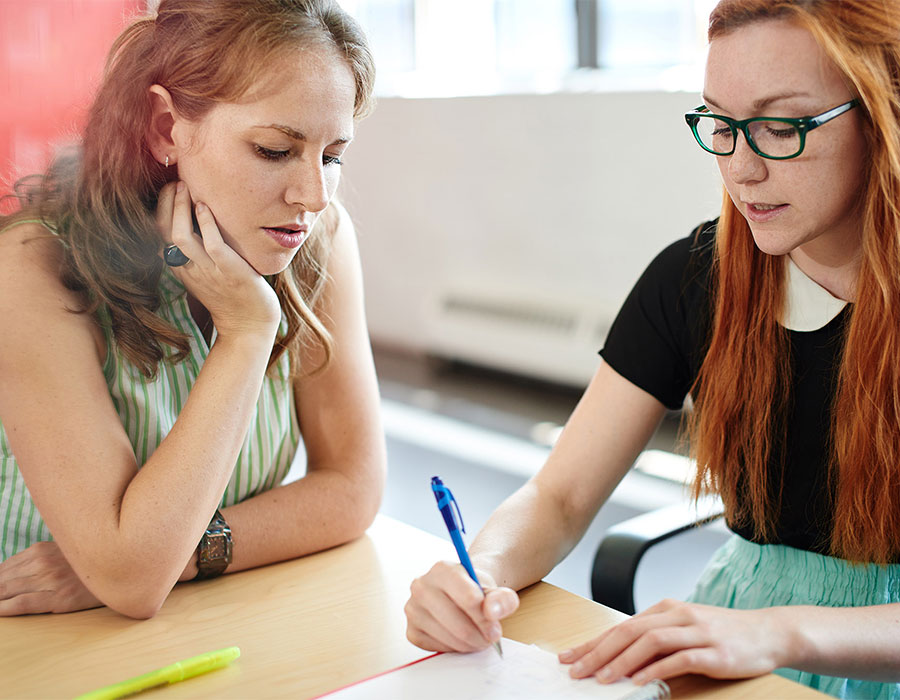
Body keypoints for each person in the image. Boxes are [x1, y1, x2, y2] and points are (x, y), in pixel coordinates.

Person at [404, 1, 900, 698]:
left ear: (884, 112)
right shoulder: (696, 276)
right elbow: (561, 495)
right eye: (720, 125)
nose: (742, 168)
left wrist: (779, 630)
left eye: (779, 126)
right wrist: (477, 572)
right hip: (743, 646)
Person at [0, 0, 386, 619]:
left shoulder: (317, 236)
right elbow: (131, 586)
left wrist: (180, 552)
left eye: (332, 155)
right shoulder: (32, 266)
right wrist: (245, 332)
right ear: (163, 127)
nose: (312, 195)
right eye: (273, 150)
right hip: (42, 641)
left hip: (219, 620)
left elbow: (352, 489)